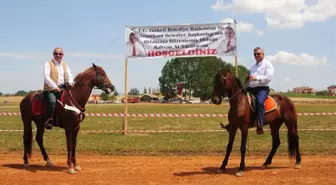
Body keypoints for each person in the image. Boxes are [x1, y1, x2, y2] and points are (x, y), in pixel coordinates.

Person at [43, 47, 74, 129]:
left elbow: (70, 75)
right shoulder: (48, 64)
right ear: (53, 54)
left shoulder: (65, 65)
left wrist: (70, 83)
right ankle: (49, 120)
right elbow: (46, 77)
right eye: (56, 53)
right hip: (50, 89)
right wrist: (54, 87)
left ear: (63, 55)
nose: (58, 55)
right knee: (52, 101)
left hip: (63, 88)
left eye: (60, 54)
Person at [245, 47, 274, 135]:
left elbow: (269, 78)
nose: (256, 55)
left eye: (258, 54)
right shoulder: (252, 66)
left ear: (263, 54)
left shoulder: (267, 64)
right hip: (251, 88)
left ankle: (260, 124)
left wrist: (256, 78)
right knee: (239, 99)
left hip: (262, 89)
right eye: (255, 54)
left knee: (260, 102)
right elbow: (250, 78)